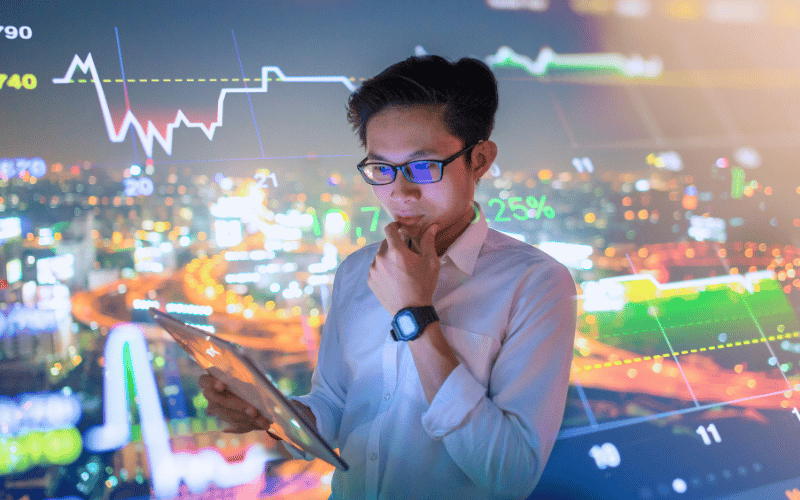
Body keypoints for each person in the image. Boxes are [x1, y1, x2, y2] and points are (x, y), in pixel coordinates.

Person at [200, 55, 577, 500]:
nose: (400, 192)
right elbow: (337, 406)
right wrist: (272, 413)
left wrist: (415, 315)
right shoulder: (357, 271)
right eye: (381, 169)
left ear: (479, 159)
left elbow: (510, 474)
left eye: (423, 166)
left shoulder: (536, 284)